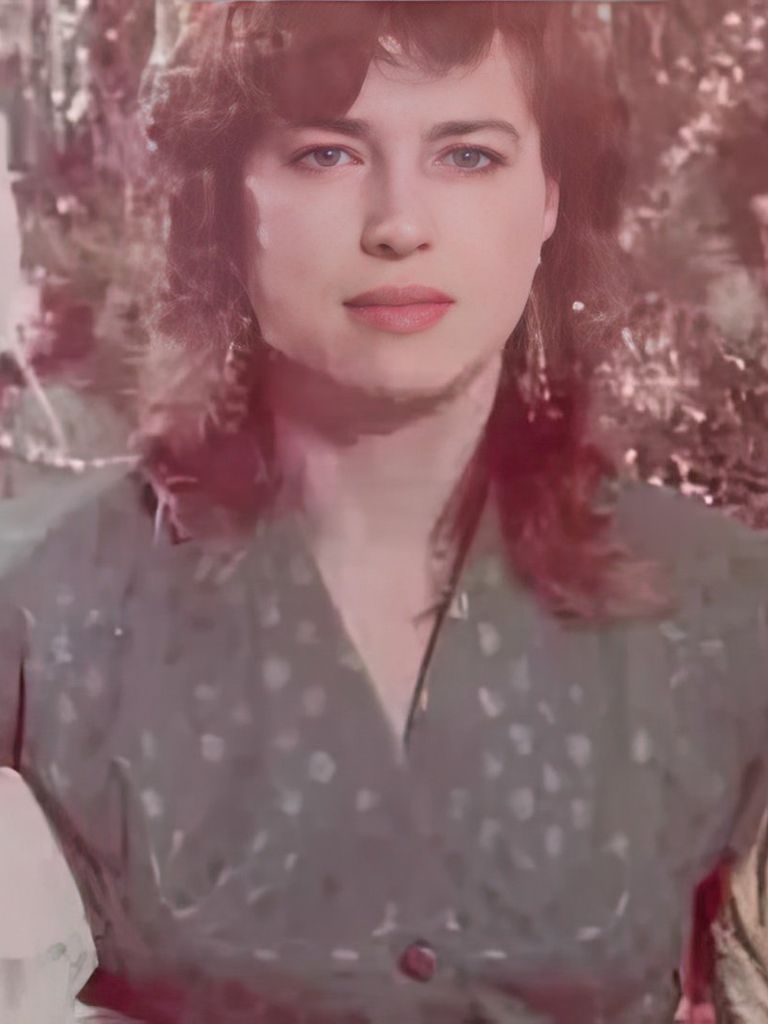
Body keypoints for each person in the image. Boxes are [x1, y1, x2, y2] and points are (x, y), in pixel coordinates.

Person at [1, 3, 767, 1022]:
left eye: (468, 155)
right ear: (226, 203)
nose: (400, 224)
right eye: (326, 154)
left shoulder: (725, 608)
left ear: (548, 197)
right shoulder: (43, 611)